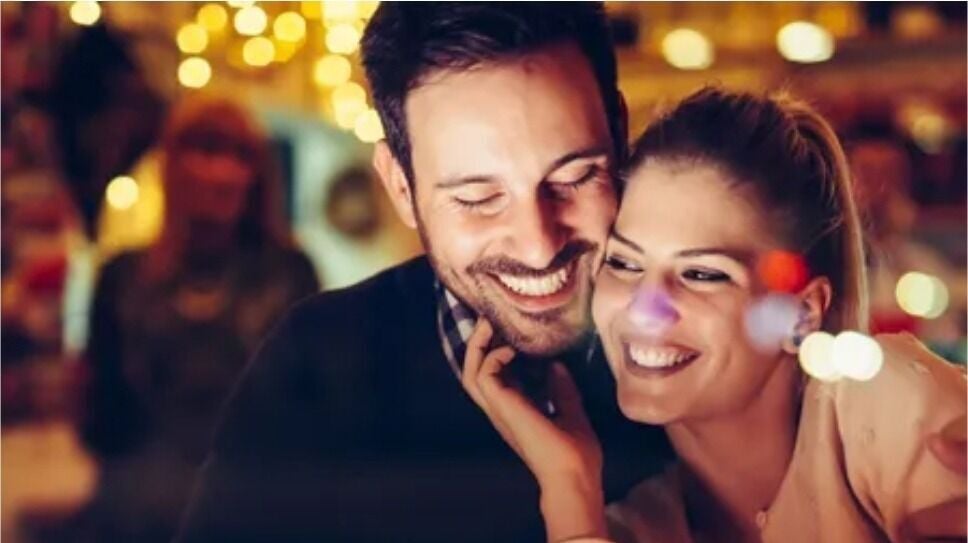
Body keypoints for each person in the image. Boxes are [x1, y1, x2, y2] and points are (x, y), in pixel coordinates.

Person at [176, 3, 670, 542]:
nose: (537, 245)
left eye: (575, 177)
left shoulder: (697, 349)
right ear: (401, 189)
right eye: (478, 198)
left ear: (620, 134)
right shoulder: (314, 366)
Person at [463, 87, 967, 542]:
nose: (646, 307)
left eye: (703, 274)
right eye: (623, 263)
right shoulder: (627, 527)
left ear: (800, 315)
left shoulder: (887, 410)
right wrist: (567, 486)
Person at [78, 96, 319, 543]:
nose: (224, 173)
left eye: (240, 156)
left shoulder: (290, 274)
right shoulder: (122, 277)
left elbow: (314, 414)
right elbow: (103, 422)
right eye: (207, 151)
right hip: (141, 514)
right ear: (173, 165)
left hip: (260, 510)